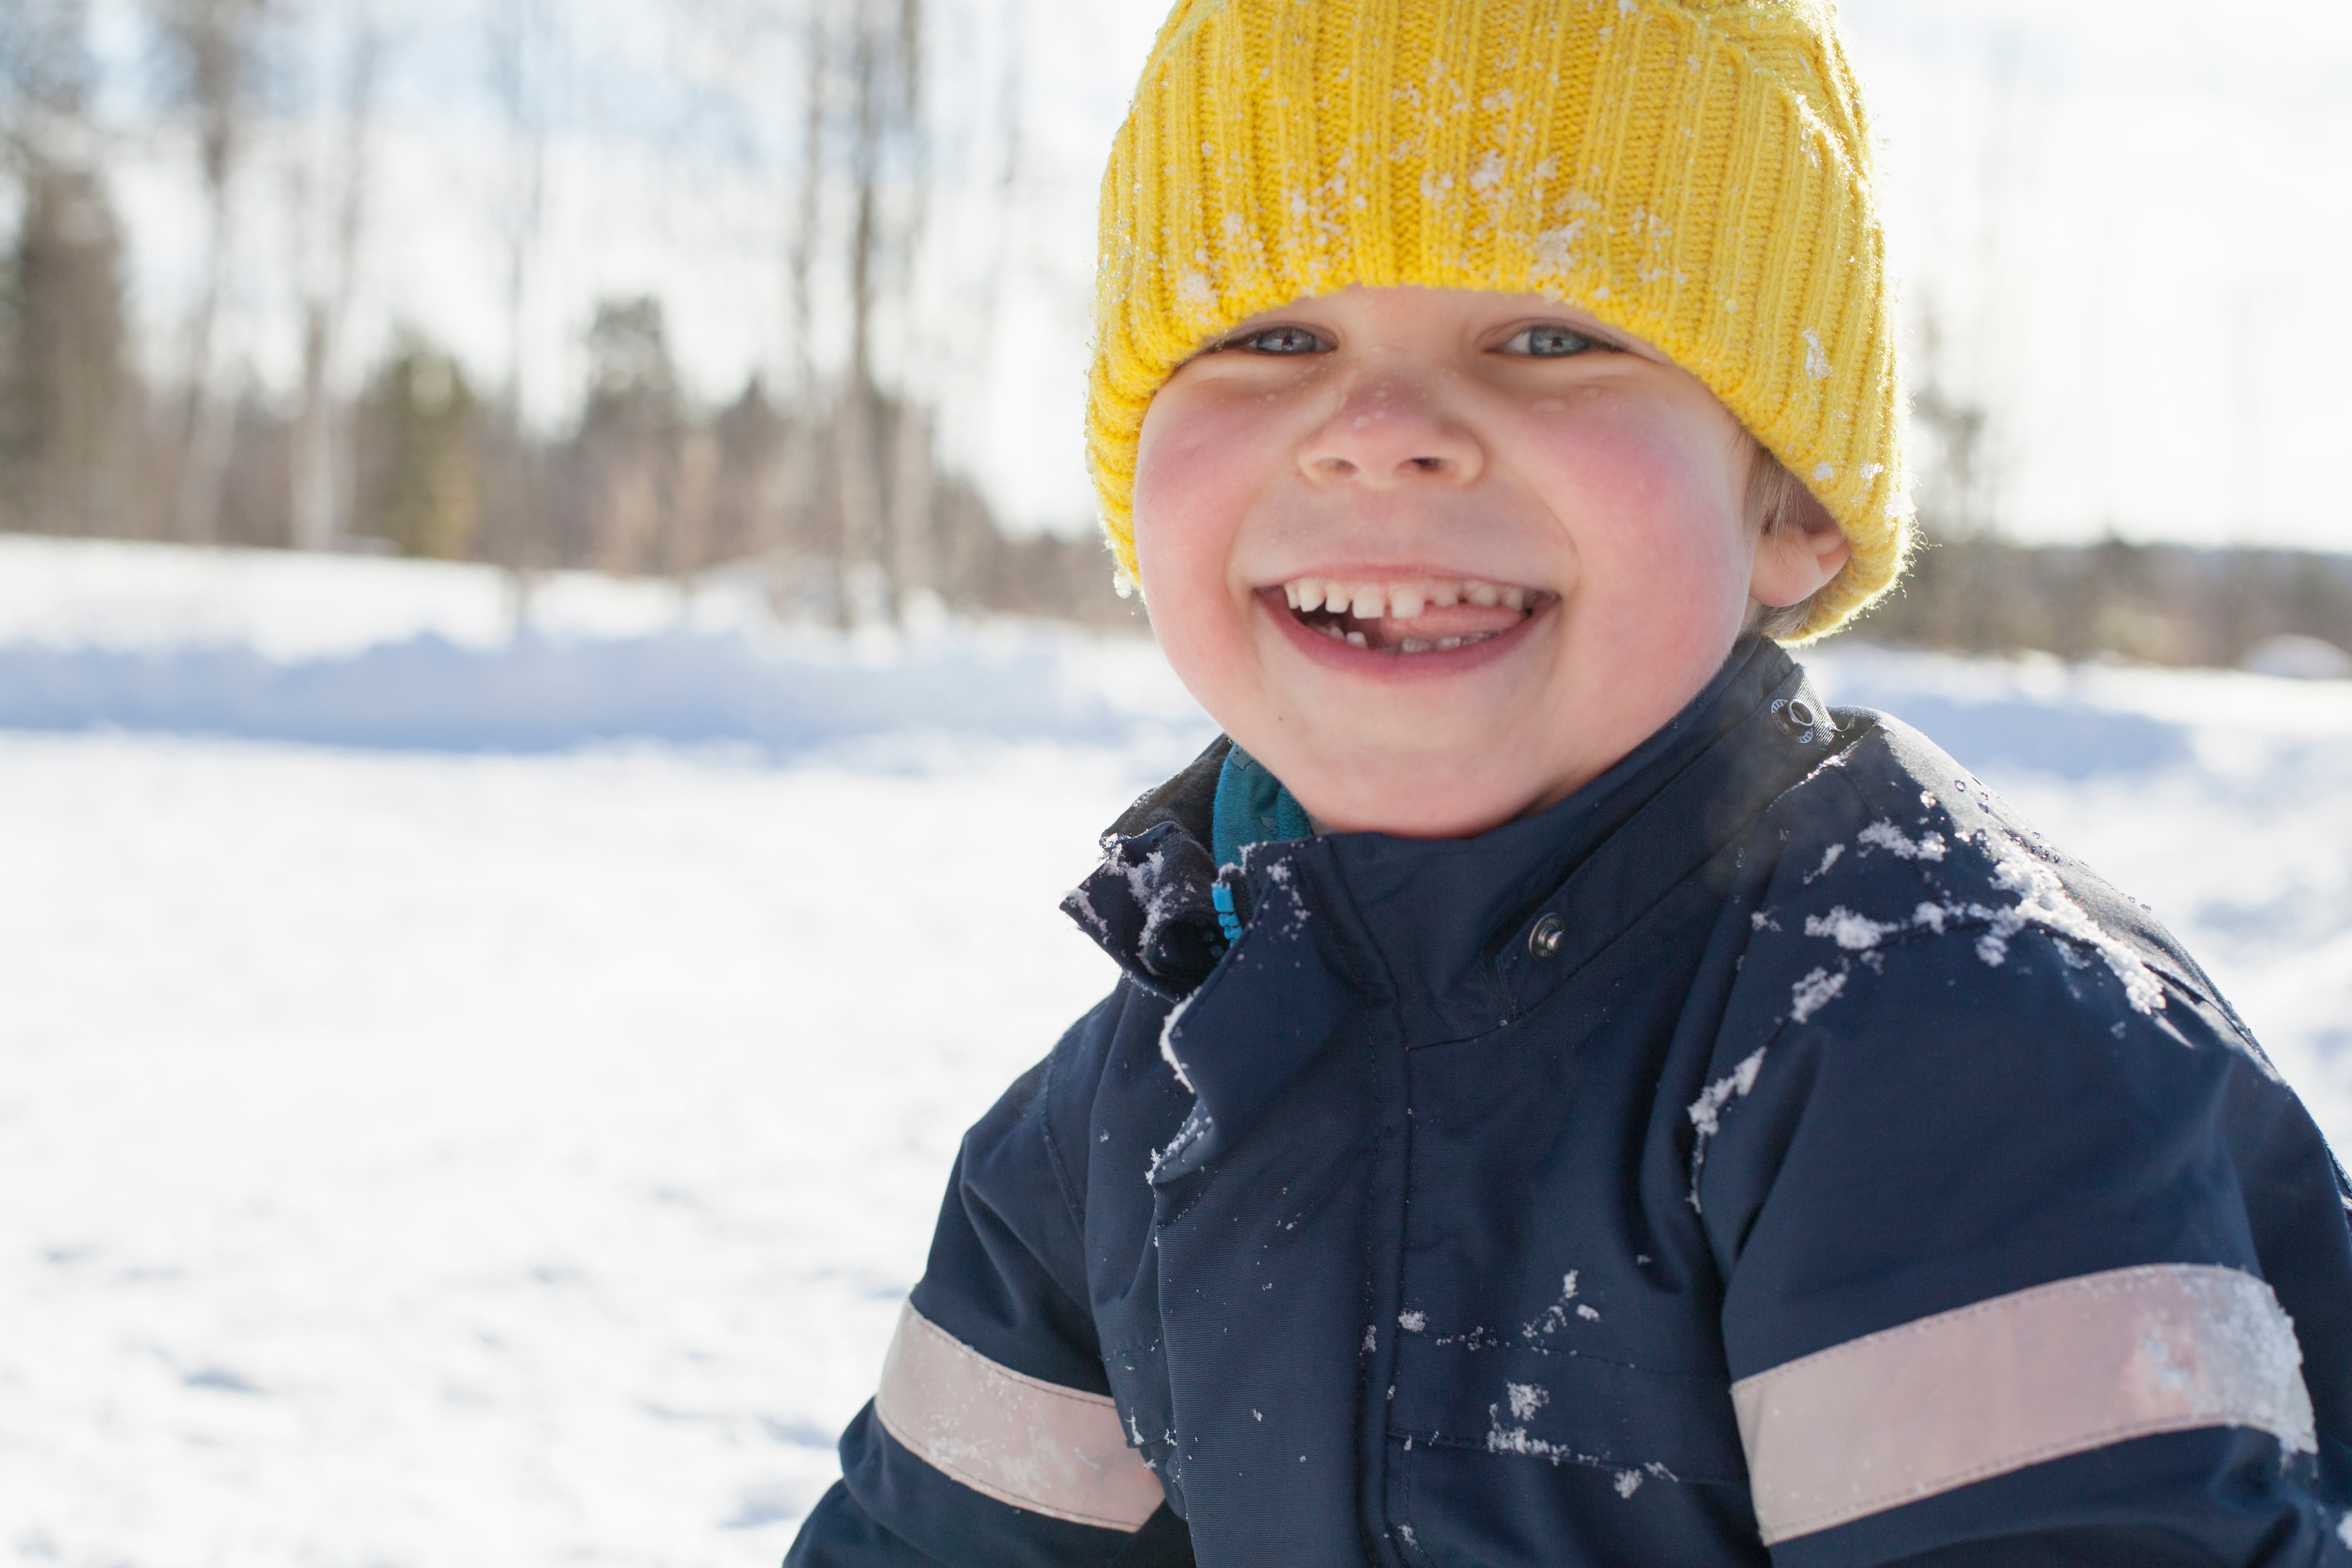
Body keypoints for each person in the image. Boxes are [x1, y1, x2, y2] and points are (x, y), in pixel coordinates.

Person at [785, 1, 2352, 1562]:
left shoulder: (1946, 1039)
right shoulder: (1128, 1109)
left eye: (1550, 337)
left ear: (1791, 507)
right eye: (1273, 338)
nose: (1380, 435)